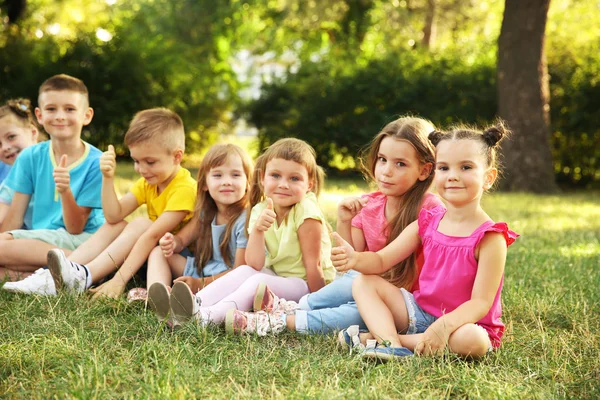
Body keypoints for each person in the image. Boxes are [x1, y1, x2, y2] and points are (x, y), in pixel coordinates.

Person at [227, 117, 444, 336]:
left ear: (424, 171)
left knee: (359, 312)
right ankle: (298, 307)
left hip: (408, 302)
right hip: (366, 288)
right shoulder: (369, 205)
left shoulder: (431, 210)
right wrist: (345, 221)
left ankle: (282, 320)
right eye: (382, 159)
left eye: (400, 164)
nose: (386, 171)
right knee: (356, 282)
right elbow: (350, 265)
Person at [332, 122, 519, 360]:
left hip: (463, 325)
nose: (453, 176)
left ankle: (385, 340)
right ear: (434, 173)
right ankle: (392, 347)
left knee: (475, 341)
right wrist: (354, 258)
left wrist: (444, 326)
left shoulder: (490, 237)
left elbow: (480, 303)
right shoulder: (428, 220)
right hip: (418, 312)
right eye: (444, 168)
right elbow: (380, 260)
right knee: (364, 282)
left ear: (488, 178)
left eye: (466, 167)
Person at [165, 138, 336, 328]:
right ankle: (190, 304)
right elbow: (254, 264)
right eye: (276, 175)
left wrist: (319, 305)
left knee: (258, 281)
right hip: (277, 277)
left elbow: (315, 265)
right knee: (245, 271)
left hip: (304, 285)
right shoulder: (260, 209)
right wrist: (258, 230)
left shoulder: (306, 211)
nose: (283, 184)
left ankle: (207, 317)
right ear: (262, 178)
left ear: (309, 184)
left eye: (294, 178)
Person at [45, 107, 197, 299]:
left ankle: (85, 276)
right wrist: (107, 178)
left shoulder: (185, 189)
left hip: (182, 262)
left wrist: (119, 281)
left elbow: (152, 236)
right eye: (136, 161)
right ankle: (71, 271)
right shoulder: (149, 183)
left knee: (143, 225)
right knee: (116, 225)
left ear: (177, 156)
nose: (141, 169)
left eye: (150, 162)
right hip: (154, 254)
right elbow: (113, 215)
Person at [0, 74, 104, 284]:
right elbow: (15, 218)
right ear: (39, 115)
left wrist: (65, 189)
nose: (59, 116)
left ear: (87, 115)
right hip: (44, 237)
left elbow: (75, 227)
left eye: (69, 109)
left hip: (82, 240)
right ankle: (61, 277)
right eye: (51, 109)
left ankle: (84, 264)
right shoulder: (30, 157)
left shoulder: (96, 162)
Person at [146, 143, 253, 324]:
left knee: (238, 280)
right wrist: (172, 242)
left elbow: (240, 271)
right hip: (203, 269)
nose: (227, 181)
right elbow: (182, 240)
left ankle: (187, 302)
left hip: (229, 281)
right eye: (218, 175)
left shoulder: (246, 219)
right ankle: (159, 298)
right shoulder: (206, 213)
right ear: (204, 184)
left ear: (248, 182)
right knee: (159, 252)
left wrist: (200, 284)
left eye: (235, 175)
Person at [0, 98, 42, 229]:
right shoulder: (10, 180)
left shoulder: (51, 163)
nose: (5, 147)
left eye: (11, 137)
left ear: (33, 132)